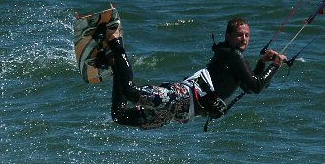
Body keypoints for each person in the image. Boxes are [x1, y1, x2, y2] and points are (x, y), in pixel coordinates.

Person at [95, 17, 287, 129]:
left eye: (247, 35)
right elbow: (257, 85)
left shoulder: (232, 58)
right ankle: (115, 40)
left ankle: (115, 64)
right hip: (181, 97)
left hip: (179, 113)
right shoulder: (233, 57)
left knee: (120, 115)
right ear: (228, 36)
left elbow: (249, 86)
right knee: (131, 92)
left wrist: (262, 63)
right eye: (239, 34)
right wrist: (275, 65)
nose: (244, 38)